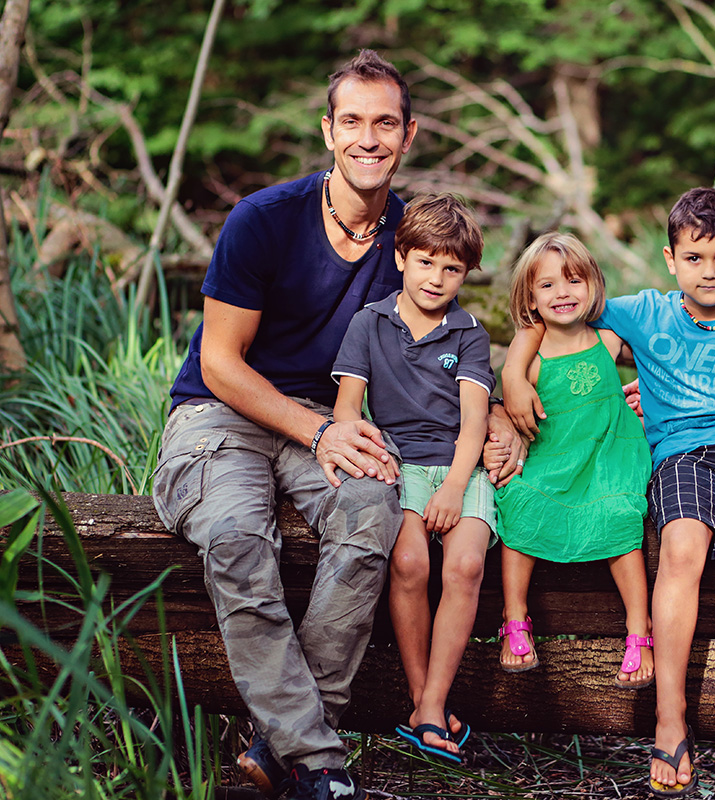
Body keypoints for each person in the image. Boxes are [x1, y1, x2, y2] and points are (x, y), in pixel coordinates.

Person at [151, 52, 522, 800]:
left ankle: (282, 743)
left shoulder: (412, 238)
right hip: (220, 413)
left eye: (385, 122)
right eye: (351, 120)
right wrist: (317, 433)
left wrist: (506, 409)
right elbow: (221, 363)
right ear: (328, 131)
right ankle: (318, 760)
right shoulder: (265, 220)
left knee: (371, 517)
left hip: (331, 421)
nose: (368, 137)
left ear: (408, 134)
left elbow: (460, 339)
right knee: (235, 535)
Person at [504, 189, 715, 799]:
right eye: (695, 258)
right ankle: (669, 718)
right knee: (679, 549)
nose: (709, 271)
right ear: (670, 260)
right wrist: (512, 382)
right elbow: (551, 317)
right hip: (679, 454)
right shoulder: (641, 312)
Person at [331, 193, 494, 765]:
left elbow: (475, 420)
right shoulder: (369, 323)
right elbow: (348, 407)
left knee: (466, 564)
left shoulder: (469, 333)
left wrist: (454, 486)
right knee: (408, 563)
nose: (437, 277)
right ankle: (426, 702)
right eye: (426, 262)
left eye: (452, 268)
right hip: (397, 463)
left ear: (466, 274)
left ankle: (430, 703)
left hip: (459, 466)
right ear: (400, 257)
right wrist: (375, 458)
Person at [493, 232, 654, 688]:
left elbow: (657, 364)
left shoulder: (608, 338)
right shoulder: (532, 341)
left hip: (608, 451)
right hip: (554, 452)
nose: (562, 293)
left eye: (573, 281)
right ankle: (516, 617)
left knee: (620, 513)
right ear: (530, 296)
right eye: (546, 286)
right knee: (520, 502)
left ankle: (639, 629)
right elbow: (510, 379)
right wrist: (514, 380)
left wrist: (649, 396)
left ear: (593, 284)